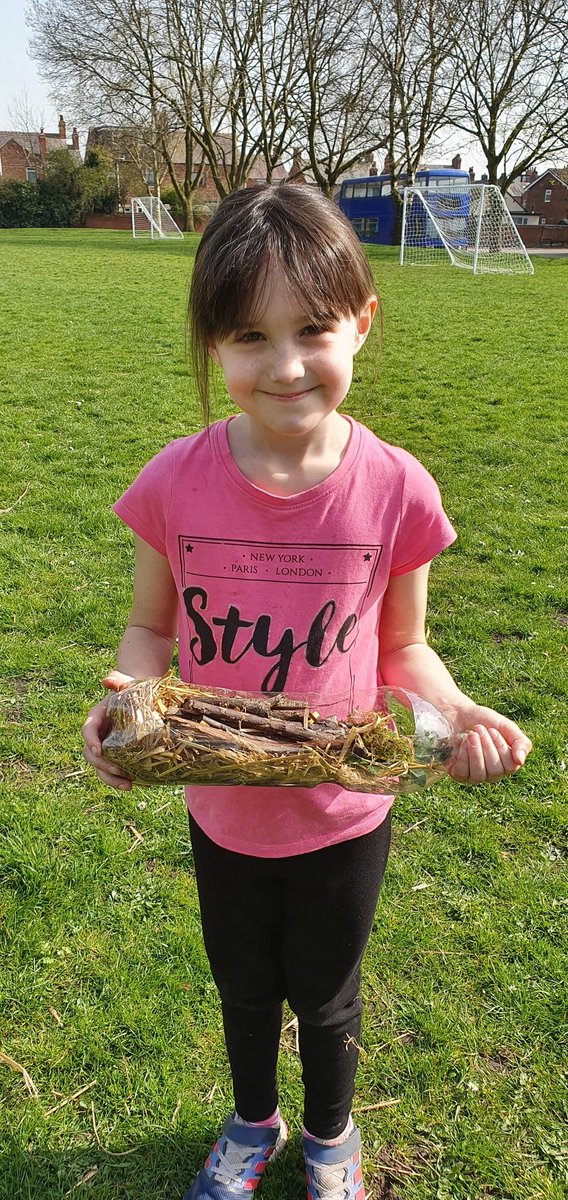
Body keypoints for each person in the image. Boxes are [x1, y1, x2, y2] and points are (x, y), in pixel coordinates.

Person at [81, 183, 532, 1200]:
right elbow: (151, 628)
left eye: (313, 329)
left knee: (326, 1000)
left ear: (361, 323)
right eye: (248, 337)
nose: (284, 366)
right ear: (211, 344)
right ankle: (253, 1125)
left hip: (341, 815)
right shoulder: (173, 481)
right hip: (222, 811)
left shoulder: (397, 485)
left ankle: (332, 1142)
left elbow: (403, 646)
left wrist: (452, 712)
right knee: (244, 987)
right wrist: (129, 707)